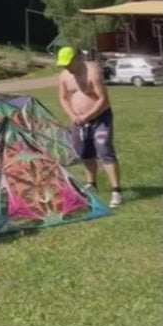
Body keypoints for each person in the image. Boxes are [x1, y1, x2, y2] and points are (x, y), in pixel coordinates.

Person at [56, 47, 121, 208]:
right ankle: (92, 183)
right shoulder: (64, 76)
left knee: (104, 149)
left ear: (77, 59)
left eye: (68, 64)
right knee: (83, 151)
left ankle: (116, 191)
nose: (66, 68)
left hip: (100, 118)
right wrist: (73, 115)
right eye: (63, 65)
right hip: (78, 121)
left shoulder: (93, 73)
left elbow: (103, 100)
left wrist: (88, 116)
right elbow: (63, 98)